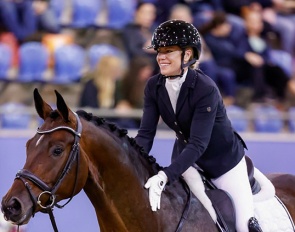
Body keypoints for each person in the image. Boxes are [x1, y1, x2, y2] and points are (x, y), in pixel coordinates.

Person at [135, 19, 263, 232]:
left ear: (187, 55)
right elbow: (146, 134)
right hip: (188, 163)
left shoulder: (205, 89)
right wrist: (133, 162)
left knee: (243, 225)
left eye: (168, 51)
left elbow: (198, 143)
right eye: (159, 51)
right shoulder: (154, 86)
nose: (161, 57)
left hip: (224, 164)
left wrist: (165, 175)